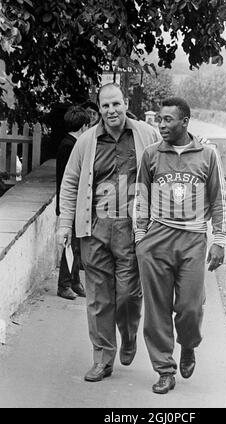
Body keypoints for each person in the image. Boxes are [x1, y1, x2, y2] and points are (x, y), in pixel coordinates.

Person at [57, 83, 160, 382]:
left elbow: (163, 169)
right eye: (106, 106)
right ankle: (103, 358)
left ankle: (128, 336)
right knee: (99, 297)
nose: (112, 111)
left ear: (126, 103)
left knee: (128, 295)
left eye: (116, 104)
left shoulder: (146, 134)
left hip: (133, 229)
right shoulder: (87, 141)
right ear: (98, 109)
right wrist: (65, 225)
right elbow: (70, 183)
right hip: (94, 229)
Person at [134, 97, 226, 394]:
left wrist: (220, 240)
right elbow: (140, 196)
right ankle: (164, 369)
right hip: (157, 239)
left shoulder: (207, 154)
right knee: (156, 310)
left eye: (168, 120)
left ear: (184, 121)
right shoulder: (151, 154)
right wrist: (140, 238)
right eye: (159, 119)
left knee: (190, 307)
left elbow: (218, 199)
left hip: (193, 240)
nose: (161, 125)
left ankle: (188, 345)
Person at [56, 106, 90, 300]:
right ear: (84, 126)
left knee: (77, 245)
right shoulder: (70, 146)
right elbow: (69, 180)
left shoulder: (68, 143)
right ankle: (64, 283)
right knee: (71, 245)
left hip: (76, 204)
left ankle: (75, 280)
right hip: (71, 204)